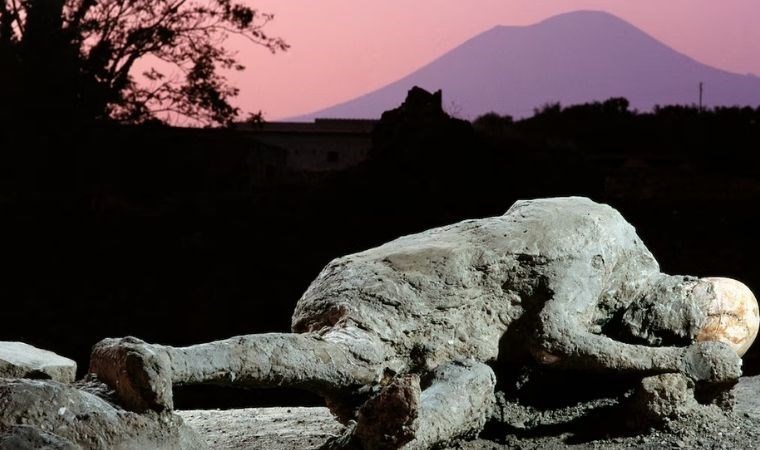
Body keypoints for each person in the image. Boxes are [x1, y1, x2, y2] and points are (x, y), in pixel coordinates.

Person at [91, 197, 759, 448]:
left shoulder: (618, 278)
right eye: (676, 331)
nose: (656, 340)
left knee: (471, 391)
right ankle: (157, 360)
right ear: (684, 294)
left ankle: (396, 432)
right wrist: (676, 364)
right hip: (392, 291)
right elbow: (557, 341)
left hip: (447, 340)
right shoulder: (602, 239)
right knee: (351, 358)